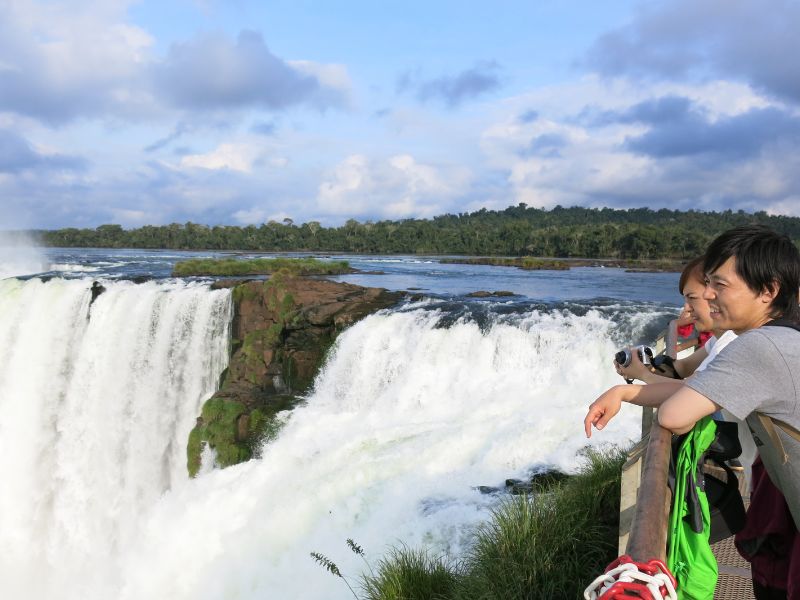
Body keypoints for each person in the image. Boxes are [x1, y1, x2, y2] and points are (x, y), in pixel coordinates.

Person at [584, 224, 800, 599]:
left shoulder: (760, 346)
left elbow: (674, 416)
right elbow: (694, 389)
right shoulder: (781, 337)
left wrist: (629, 387)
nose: (710, 295)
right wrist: (624, 391)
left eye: (721, 285)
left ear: (769, 290)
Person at [615, 256, 737, 385]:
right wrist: (645, 367)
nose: (686, 308)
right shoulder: (718, 340)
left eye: (692, 298)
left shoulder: (731, 344)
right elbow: (682, 368)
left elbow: (688, 392)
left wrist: (640, 377)